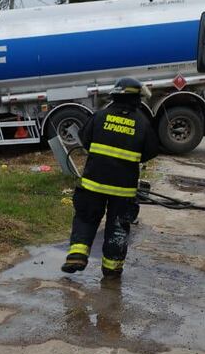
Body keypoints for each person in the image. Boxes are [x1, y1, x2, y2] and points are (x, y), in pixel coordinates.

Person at [61, 76, 159, 278]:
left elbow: (85, 140)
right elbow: (151, 151)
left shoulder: (100, 116)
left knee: (86, 218)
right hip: (123, 190)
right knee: (118, 227)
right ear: (137, 99)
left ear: (114, 95)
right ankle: (112, 269)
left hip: (93, 183)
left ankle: (77, 255)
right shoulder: (142, 123)